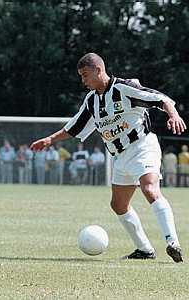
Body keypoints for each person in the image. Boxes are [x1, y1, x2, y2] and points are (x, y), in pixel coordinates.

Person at [30, 52, 186, 262]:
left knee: (149, 189)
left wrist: (173, 114)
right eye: (81, 77)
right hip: (120, 156)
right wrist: (50, 139)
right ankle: (145, 250)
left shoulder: (124, 88)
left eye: (85, 75)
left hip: (142, 147)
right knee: (118, 205)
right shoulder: (92, 100)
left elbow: (160, 98)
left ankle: (172, 242)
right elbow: (75, 127)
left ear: (98, 70)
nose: (83, 81)